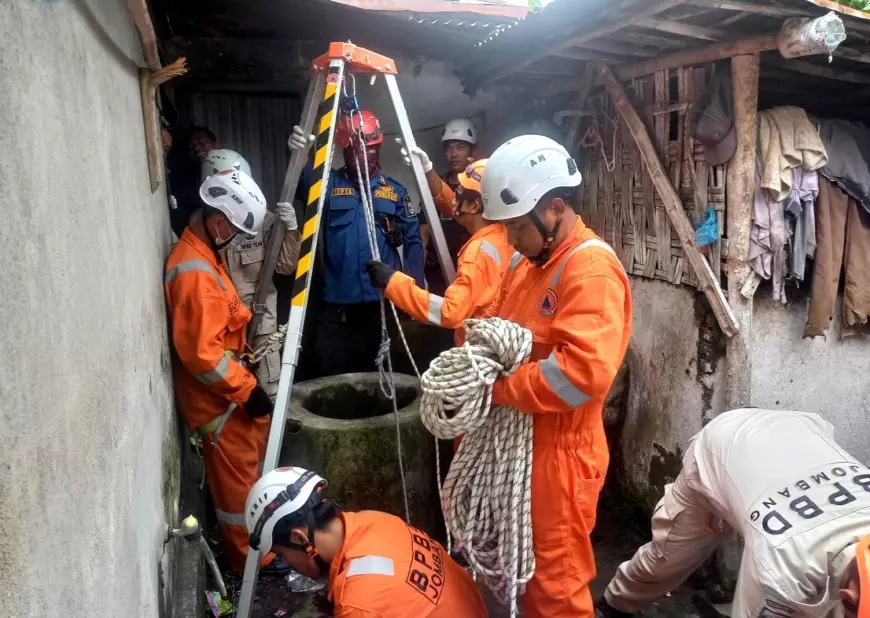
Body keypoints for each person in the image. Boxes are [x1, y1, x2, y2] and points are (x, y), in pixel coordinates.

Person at [480, 135, 633, 617]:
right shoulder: (531, 264)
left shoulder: (590, 269)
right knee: (522, 573)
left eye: (514, 228)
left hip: (561, 457)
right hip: (527, 446)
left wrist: (501, 389)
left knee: (555, 587)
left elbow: (583, 374)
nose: (508, 239)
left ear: (554, 209)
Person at [597, 408, 870, 618]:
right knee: (668, 558)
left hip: (800, 431)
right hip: (720, 446)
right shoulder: (783, 572)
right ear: (849, 594)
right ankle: (613, 605)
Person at [164, 169, 286, 575]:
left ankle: (261, 543)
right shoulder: (195, 272)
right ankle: (251, 563)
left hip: (229, 396)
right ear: (219, 223)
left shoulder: (201, 256)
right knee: (238, 493)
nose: (234, 239)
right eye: (233, 231)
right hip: (221, 403)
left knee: (249, 474)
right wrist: (247, 389)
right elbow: (203, 356)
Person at [245, 466, 489, 617]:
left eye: (284, 555)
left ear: (300, 538)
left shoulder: (358, 604)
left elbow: (368, 601)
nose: (290, 564)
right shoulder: (373, 520)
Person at [287, 110, 424, 376]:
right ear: (344, 151)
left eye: (372, 149)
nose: (367, 155)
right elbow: (303, 188)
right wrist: (300, 156)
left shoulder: (394, 191)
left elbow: (413, 242)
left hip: (381, 300)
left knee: (383, 367)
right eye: (358, 150)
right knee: (329, 366)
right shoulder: (327, 186)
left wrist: (412, 293)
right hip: (338, 301)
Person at [366, 158, 514, 346]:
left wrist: (393, 281)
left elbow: (450, 313)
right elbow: (452, 202)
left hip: (477, 350)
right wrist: (428, 170)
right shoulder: (508, 233)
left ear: (475, 206)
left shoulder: (477, 255)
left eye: (459, 193)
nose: (454, 198)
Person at [195, 149, 301, 397]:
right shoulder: (199, 227)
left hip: (261, 322)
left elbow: (285, 267)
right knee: (231, 394)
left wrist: (292, 230)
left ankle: (269, 437)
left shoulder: (263, 221)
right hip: (223, 329)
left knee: (269, 392)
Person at [403, 118, 478, 296]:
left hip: (470, 266)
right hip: (438, 270)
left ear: (472, 150)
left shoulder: (480, 186)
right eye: (448, 148)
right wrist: (417, 281)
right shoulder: (435, 185)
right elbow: (423, 232)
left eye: (460, 147)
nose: (454, 154)